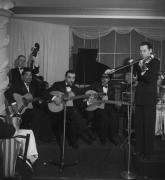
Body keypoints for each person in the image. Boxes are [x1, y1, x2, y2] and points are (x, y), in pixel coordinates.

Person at [43, 70, 93, 149]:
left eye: (73, 78)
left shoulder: (76, 89)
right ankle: (85, 132)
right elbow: (45, 93)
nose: (71, 80)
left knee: (74, 112)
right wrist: (54, 98)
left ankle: (74, 140)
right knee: (74, 113)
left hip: (70, 110)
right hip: (58, 110)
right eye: (69, 77)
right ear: (65, 77)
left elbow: (79, 104)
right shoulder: (58, 85)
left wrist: (88, 103)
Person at [5, 68, 53, 142]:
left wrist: (45, 99)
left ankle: (45, 138)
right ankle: (33, 140)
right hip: (19, 111)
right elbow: (7, 93)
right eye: (26, 75)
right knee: (37, 115)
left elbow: (40, 95)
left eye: (30, 75)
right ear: (22, 76)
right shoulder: (17, 84)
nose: (29, 77)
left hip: (29, 109)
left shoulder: (34, 86)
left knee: (45, 114)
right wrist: (14, 104)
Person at [133, 41, 160, 160]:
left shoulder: (155, 62)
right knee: (138, 125)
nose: (142, 53)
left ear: (150, 51)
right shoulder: (140, 63)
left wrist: (141, 67)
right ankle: (139, 150)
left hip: (149, 98)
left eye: (144, 51)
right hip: (139, 97)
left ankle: (148, 152)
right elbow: (139, 77)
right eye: (140, 51)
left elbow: (150, 78)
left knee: (148, 125)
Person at [85, 73, 120, 145]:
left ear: (109, 79)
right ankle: (103, 138)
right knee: (104, 117)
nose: (104, 79)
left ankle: (113, 136)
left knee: (114, 116)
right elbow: (89, 94)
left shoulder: (112, 87)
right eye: (103, 77)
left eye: (106, 77)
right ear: (101, 79)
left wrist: (117, 103)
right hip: (99, 105)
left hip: (109, 106)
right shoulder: (95, 85)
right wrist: (100, 98)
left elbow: (113, 99)